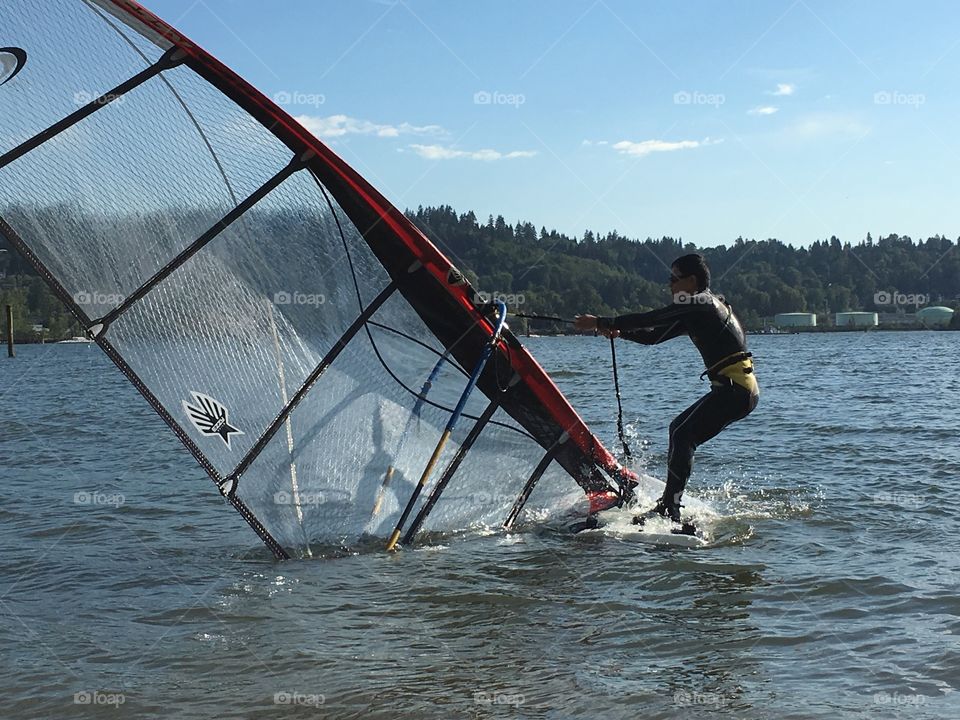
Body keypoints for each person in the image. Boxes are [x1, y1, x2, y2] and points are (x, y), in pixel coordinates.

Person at [574, 253, 758, 525]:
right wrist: (619, 332)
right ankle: (669, 503)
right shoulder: (696, 309)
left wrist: (603, 321)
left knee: (684, 435)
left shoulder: (702, 304)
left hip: (737, 391)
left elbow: (654, 317)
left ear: (692, 281)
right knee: (678, 430)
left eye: (674, 279)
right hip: (733, 390)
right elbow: (653, 336)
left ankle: (670, 508)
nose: (669, 285)